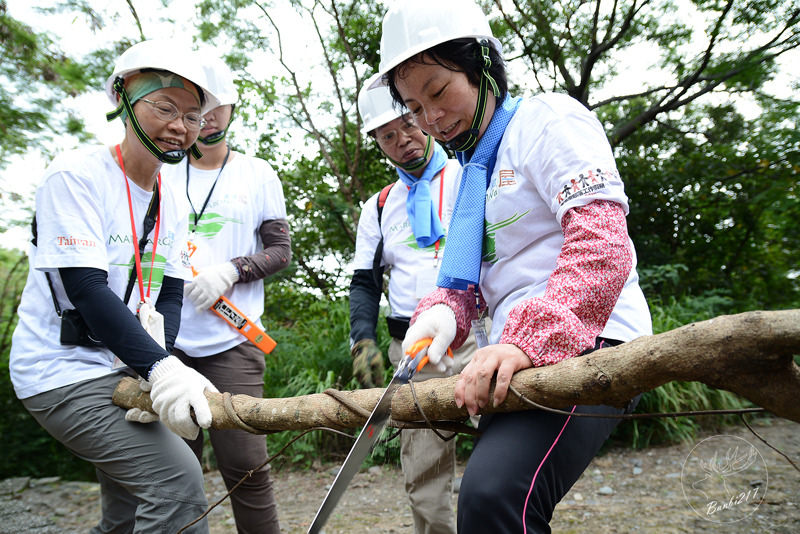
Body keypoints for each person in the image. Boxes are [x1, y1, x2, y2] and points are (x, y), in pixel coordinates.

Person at [371, 1, 653, 532]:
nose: (430, 118)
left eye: (438, 91)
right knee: (491, 502)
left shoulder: (548, 120)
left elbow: (602, 244)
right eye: (413, 106)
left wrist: (526, 341)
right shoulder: (466, 173)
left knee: (494, 495)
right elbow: (469, 283)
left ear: (481, 64)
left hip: (593, 344)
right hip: (513, 358)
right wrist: (442, 313)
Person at [9, 39, 223, 533]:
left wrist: (156, 365)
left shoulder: (172, 199)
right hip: (60, 371)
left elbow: (168, 292)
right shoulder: (76, 177)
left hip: (119, 365)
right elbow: (86, 288)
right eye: (165, 107)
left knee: (126, 513)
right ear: (125, 99)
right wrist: (162, 367)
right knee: (176, 484)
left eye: (193, 117)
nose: (179, 126)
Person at [160, 54, 291, 534]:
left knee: (248, 469)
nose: (211, 113)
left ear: (234, 108)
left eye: (220, 103)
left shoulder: (257, 174)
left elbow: (280, 251)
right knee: (176, 471)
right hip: (164, 342)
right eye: (202, 102)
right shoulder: (163, 170)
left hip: (231, 341)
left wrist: (232, 269)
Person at [349, 73, 482, 534]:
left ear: (424, 116)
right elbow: (364, 282)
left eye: (408, 125)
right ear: (377, 143)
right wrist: (361, 338)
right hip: (413, 348)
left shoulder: (470, 173)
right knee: (423, 472)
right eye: (388, 135)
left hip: (480, 336)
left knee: (502, 458)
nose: (403, 140)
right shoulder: (381, 205)